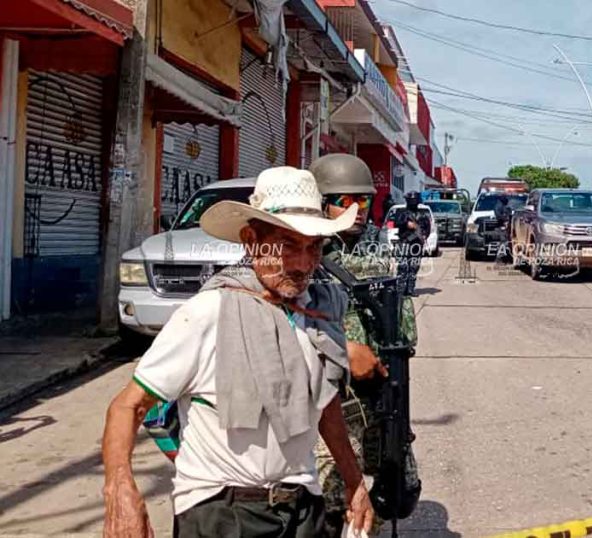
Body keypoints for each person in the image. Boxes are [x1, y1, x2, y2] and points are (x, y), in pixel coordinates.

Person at [101, 167, 375, 537]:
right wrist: (120, 489)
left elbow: (324, 406)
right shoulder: (209, 313)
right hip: (221, 513)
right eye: (288, 245)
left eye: (314, 248)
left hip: (302, 509)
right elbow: (127, 406)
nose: (304, 263)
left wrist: (354, 482)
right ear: (251, 240)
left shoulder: (317, 314)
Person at [309, 154, 422, 536]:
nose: (356, 210)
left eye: (363, 201)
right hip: (331, 395)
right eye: (344, 200)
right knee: (335, 495)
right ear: (322, 203)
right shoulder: (305, 249)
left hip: (379, 386)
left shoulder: (377, 246)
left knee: (400, 488)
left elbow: (397, 320)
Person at [393, 191, 432, 296]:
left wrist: (423, 235)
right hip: (404, 242)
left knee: (414, 266)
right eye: (411, 200)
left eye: (415, 200)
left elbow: (427, 228)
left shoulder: (423, 214)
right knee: (403, 266)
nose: (413, 202)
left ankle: (410, 288)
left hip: (416, 244)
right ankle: (400, 289)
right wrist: (406, 223)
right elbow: (396, 222)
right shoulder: (401, 212)